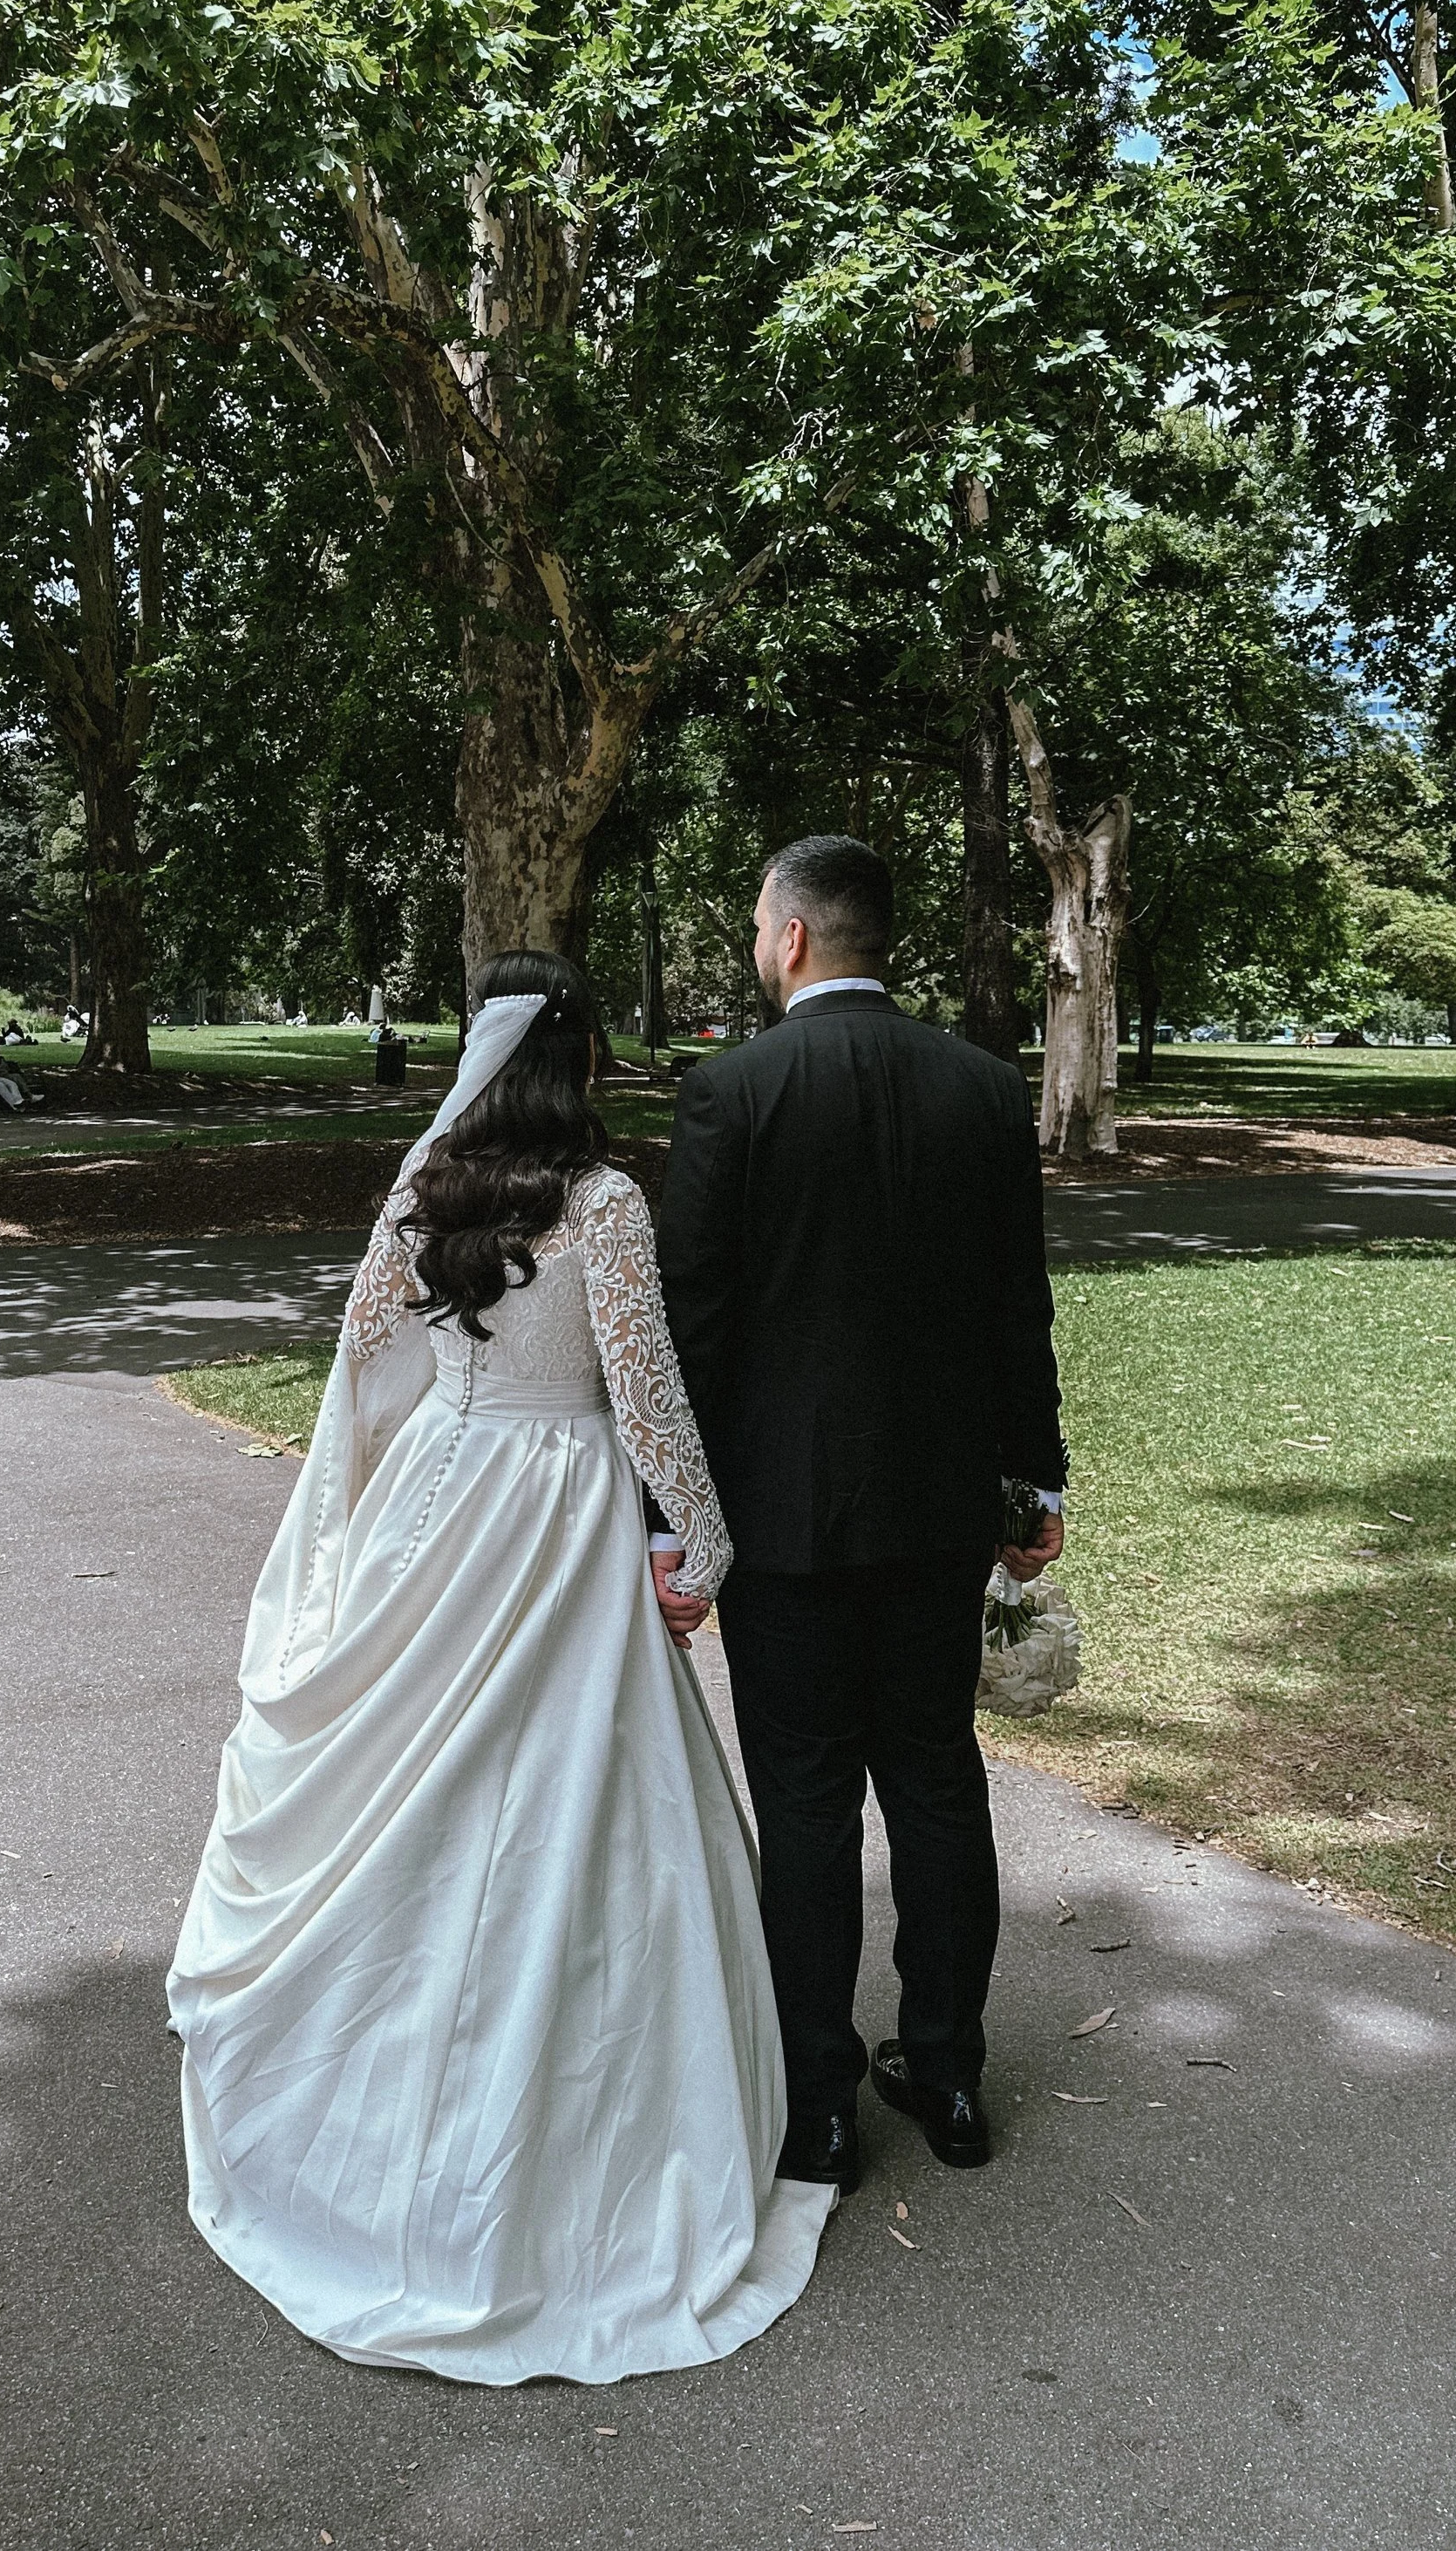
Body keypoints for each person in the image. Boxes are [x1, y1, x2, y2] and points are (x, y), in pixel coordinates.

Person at [168, 952, 832, 2384]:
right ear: (582, 1060)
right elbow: (645, 1389)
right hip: (561, 1506)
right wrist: (700, 1545)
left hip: (442, 1493)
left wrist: (370, 1517)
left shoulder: (424, 1193)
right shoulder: (603, 1202)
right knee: (566, 1796)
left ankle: (368, 2128)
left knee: (419, 1793)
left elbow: (372, 1374)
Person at [657, 836, 1065, 2194]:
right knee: (939, 1787)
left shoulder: (731, 1093)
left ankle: (822, 2102)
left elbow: (692, 1332)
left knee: (810, 1804)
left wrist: (677, 1521)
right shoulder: (985, 1090)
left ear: (789, 941)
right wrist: (1033, 1482)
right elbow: (1019, 1307)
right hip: (944, 1508)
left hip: (784, 1521)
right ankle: (949, 2078)